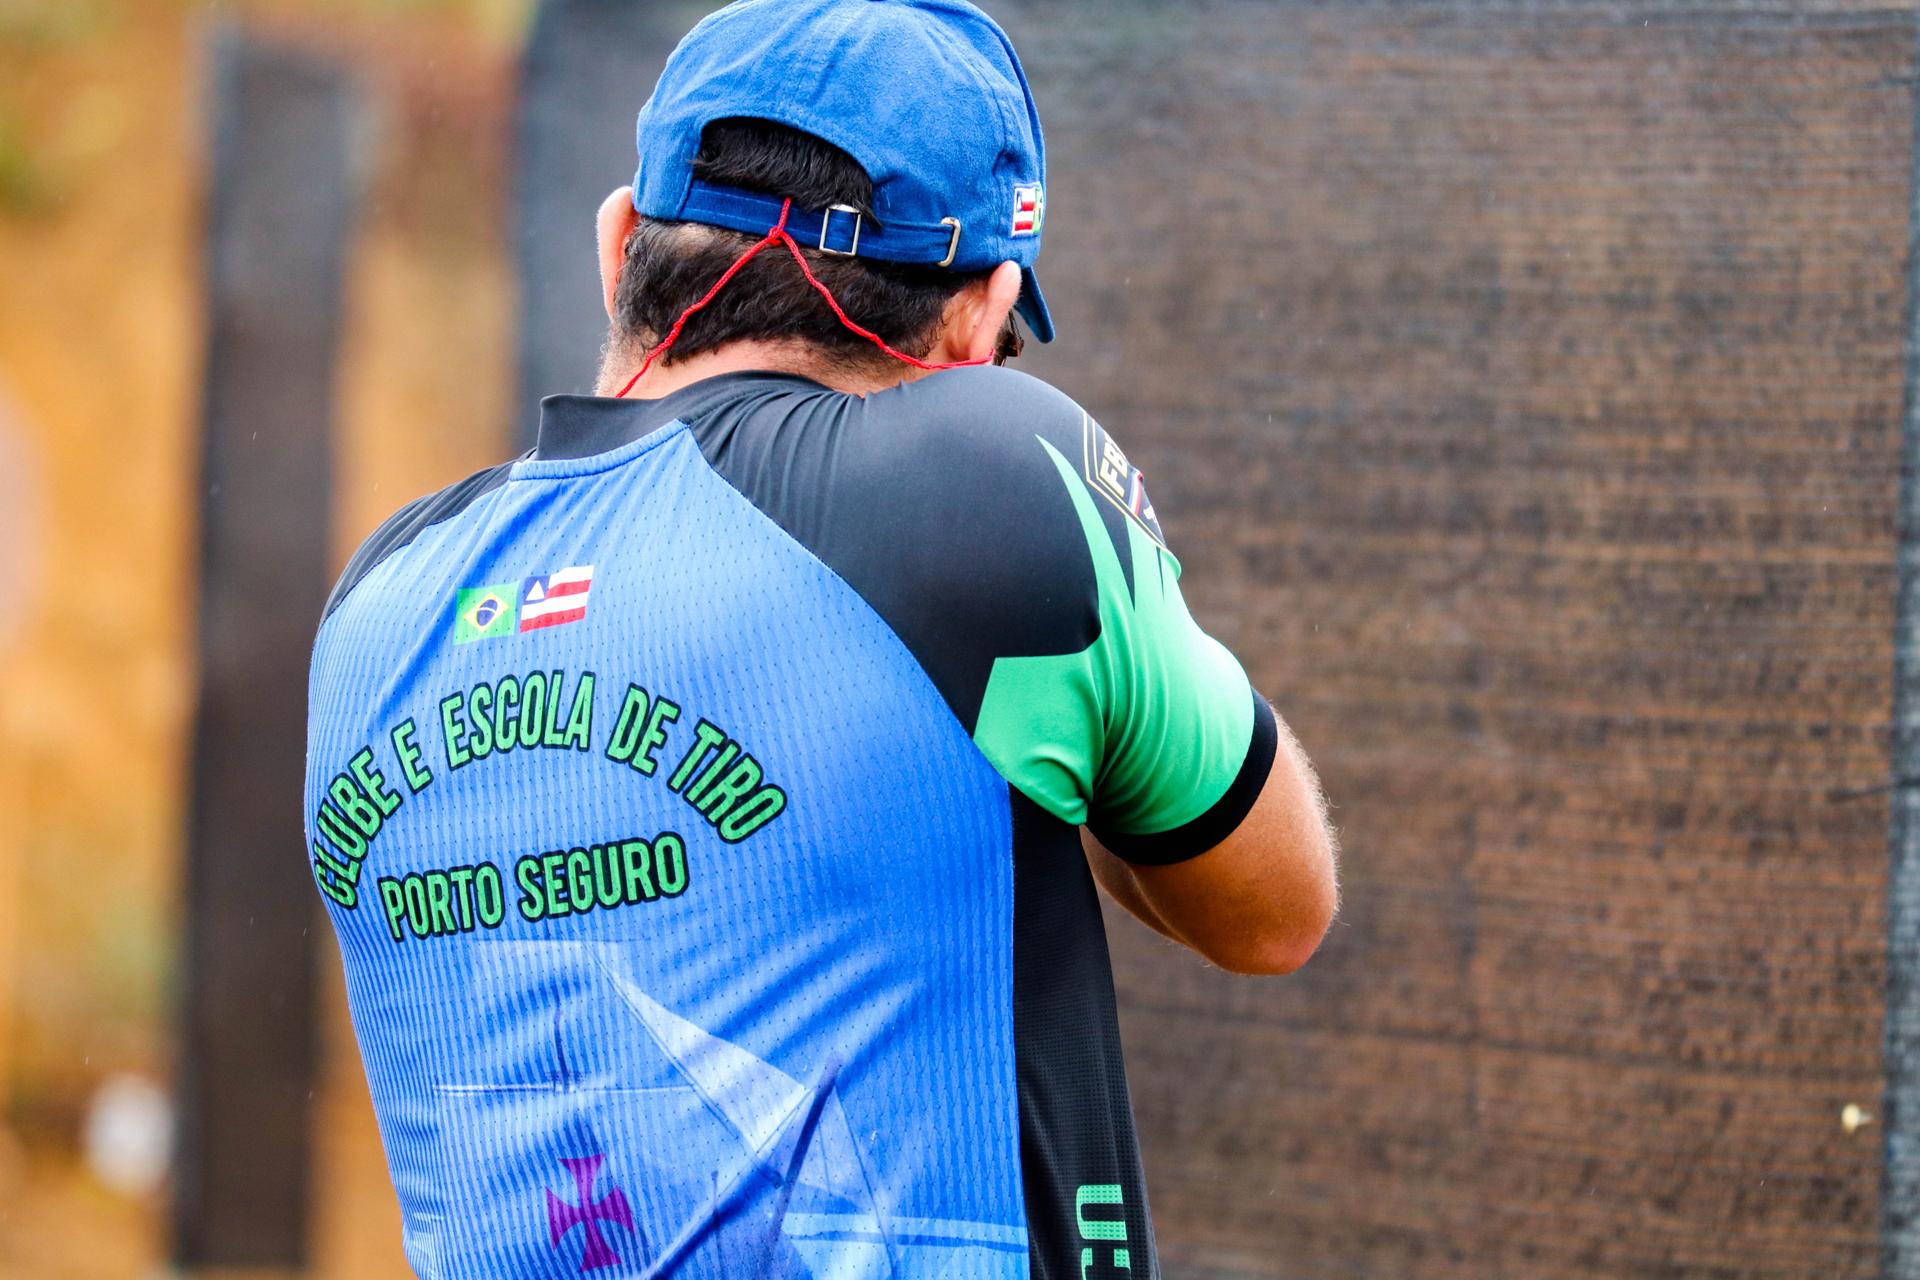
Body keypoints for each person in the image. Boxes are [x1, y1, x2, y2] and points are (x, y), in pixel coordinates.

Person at [303, 1, 1338, 1276]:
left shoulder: (379, 602)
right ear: (981, 321)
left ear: (618, 244)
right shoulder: (987, 482)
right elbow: (1274, 907)